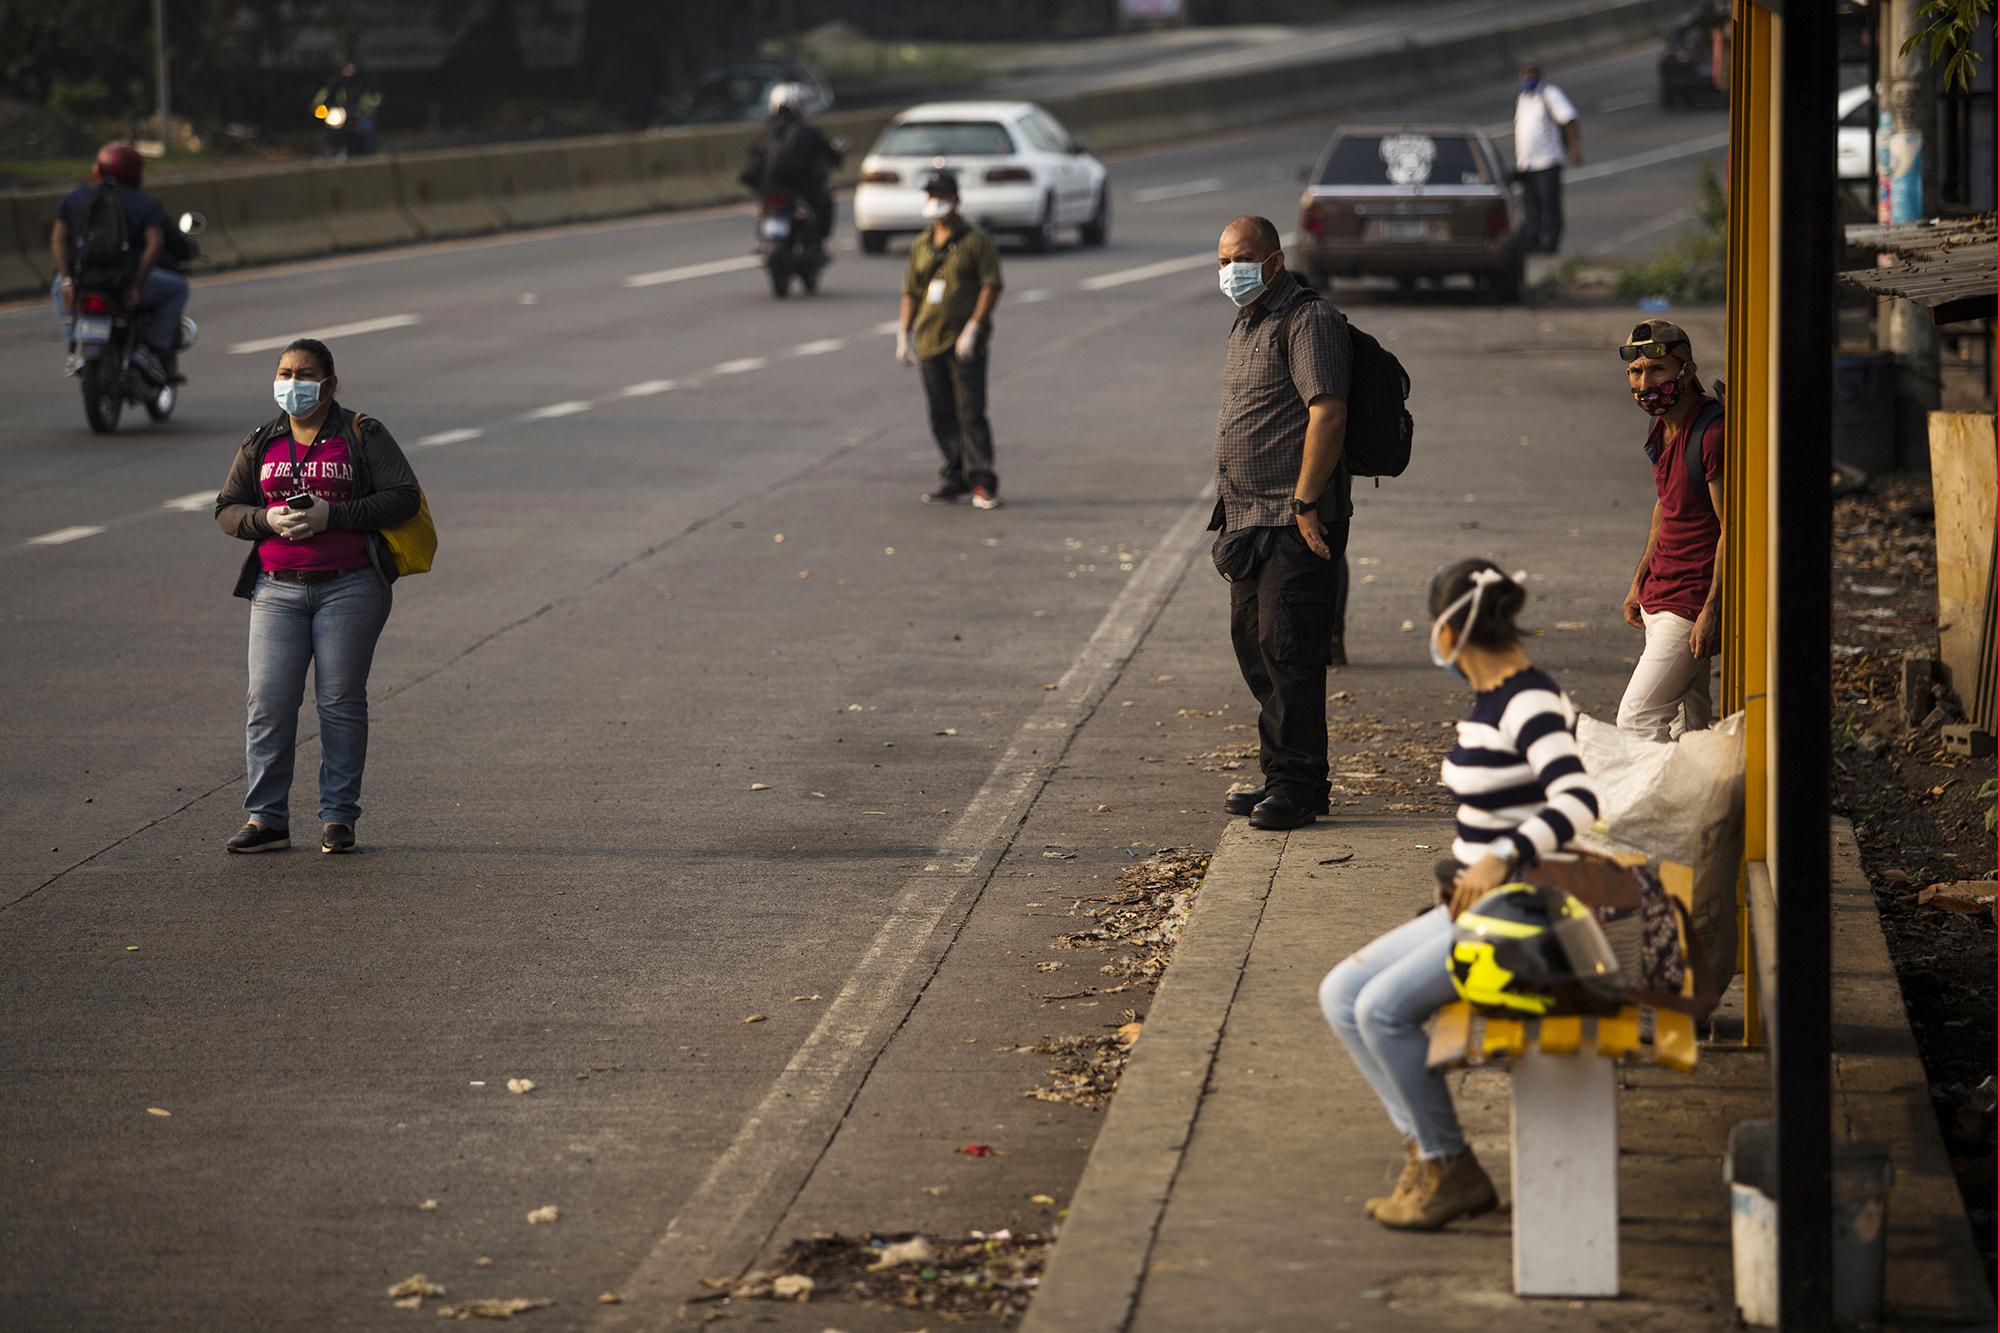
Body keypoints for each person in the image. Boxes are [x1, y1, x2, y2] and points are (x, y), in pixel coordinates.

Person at [1319, 560, 1601, 1230]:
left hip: (1531, 919)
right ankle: (1428, 1149)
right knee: (1341, 995)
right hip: (1484, 909)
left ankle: (1450, 1165)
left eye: (1431, 626)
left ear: (1451, 629)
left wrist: (1503, 856)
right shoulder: (1490, 700)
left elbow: (1580, 798)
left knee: (1384, 1009)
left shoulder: (1529, 700)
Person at [212, 339, 421, 855]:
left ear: (328, 383)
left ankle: (338, 818)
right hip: (275, 590)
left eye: (304, 373)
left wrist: (335, 515)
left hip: (350, 587)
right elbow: (226, 507)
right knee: (268, 701)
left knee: (339, 702)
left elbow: (403, 496)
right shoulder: (261, 440)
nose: (292, 382)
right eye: (284, 371)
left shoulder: (361, 433)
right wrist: (265, 519)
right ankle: (267, 818)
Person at [1209, 214, 1353, 830]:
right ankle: (1286, 775)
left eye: (1238, 259)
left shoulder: (1308, 320)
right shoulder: (1250, 319)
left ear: (1272, 260)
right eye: (1220, 262)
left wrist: (1304, 502)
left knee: (1289, 650)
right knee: (1256, 648)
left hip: (1292, 519)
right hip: (1246, 517)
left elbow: (1327, 412)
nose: (1228, 272)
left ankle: (1296, 786)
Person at [1616, 319, 1724, 742]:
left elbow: (1731, 529)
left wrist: (1711, 609)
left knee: (1638, 719)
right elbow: (1667, 504)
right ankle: (1699, 806)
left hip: (1688, 606)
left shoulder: (1712, 435)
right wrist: (1638, 581)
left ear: (1688, 370)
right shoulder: (1660, 429)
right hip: (1659, 595)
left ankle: (1660, 807)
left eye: (1658, 370)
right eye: (1636, 372)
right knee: (1690, 727)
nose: (1646, 382)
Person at [896, 170, 1005, 509]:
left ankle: (982, 481)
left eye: (941, 194)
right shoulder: (922, 244)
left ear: (956, 200)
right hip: (930, 340)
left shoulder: (976, 241)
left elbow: (991, 284)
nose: (935, 201)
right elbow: (911, 292)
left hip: (963, 344)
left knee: (970, 411)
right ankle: (954, 475)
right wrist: (903, 333)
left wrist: (973, 328)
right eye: (931, 194)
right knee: (941, 413)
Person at [47, 142, 190, 384]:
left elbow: (58, 239)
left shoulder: (74, 198)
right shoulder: (143, 203)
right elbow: (155, 244)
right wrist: (135, 285)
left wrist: (67, 278)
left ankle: (76, 346)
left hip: (82, 281)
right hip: (123, 282)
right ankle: (151, 350)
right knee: (179, 288)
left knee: (57, 288)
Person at [739, 82, 842, 246]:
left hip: (772, 189)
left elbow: (752, 165)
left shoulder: (765, 132)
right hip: (795, 189)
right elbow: (827, 154)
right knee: (825, 200)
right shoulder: (808, 131)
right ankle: (817, 241)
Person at [1513, 64, 1582, 254]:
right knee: (1531, 207)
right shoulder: (1522, 99)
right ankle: (1532, 240)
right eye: (1524, 76)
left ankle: (1551, 241)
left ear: (1538, 77)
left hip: (1548, 162)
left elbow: (1569, 119)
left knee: (1549, 205)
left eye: (1530, 76)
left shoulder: (1549, 95)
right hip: (1527, 164)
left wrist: (1574, 149)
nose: (1527, 80)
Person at [313, 60, 382, 156]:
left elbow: (374, 98)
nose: (348, 71)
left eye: (351, 68)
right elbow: (322, 97)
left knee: (367, 129)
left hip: (360, 115)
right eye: (346, 68)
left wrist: (368, 107)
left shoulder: (364, 84)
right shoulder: (335, 84)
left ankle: (369, 155)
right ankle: (331, 154)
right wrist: (317, 106)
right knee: (330, 131)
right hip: (341, 115)